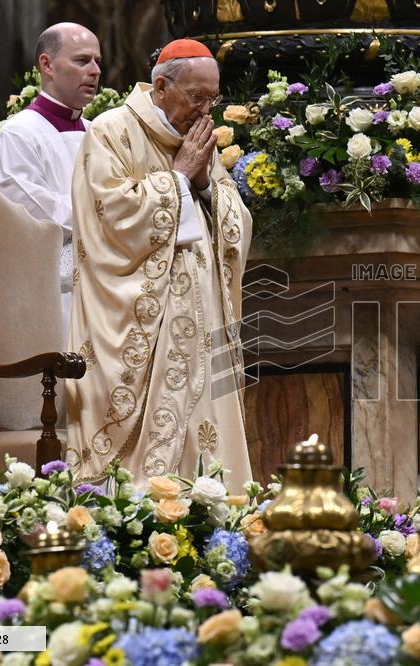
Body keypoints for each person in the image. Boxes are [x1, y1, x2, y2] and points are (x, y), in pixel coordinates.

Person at [66, 39, 253, 489]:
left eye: (213, 99)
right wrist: (179, 178)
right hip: (145, 310)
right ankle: (143, 505)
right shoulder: (112, 131)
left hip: (202, 306)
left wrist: (206, 183)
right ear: (162, 86)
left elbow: (237, 220)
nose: (205, 110)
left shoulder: (197, 138)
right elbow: (109, 217)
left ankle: (210, 503)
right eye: (196, 96)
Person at [0, 23, 102, 341]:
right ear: (46, 64)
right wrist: (109, 214)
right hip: (49, 290)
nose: (95, 71)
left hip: (101, 282)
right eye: (82, 60)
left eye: (97, 61)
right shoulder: (19, 134)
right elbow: (27, 214)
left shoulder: (98, 133)